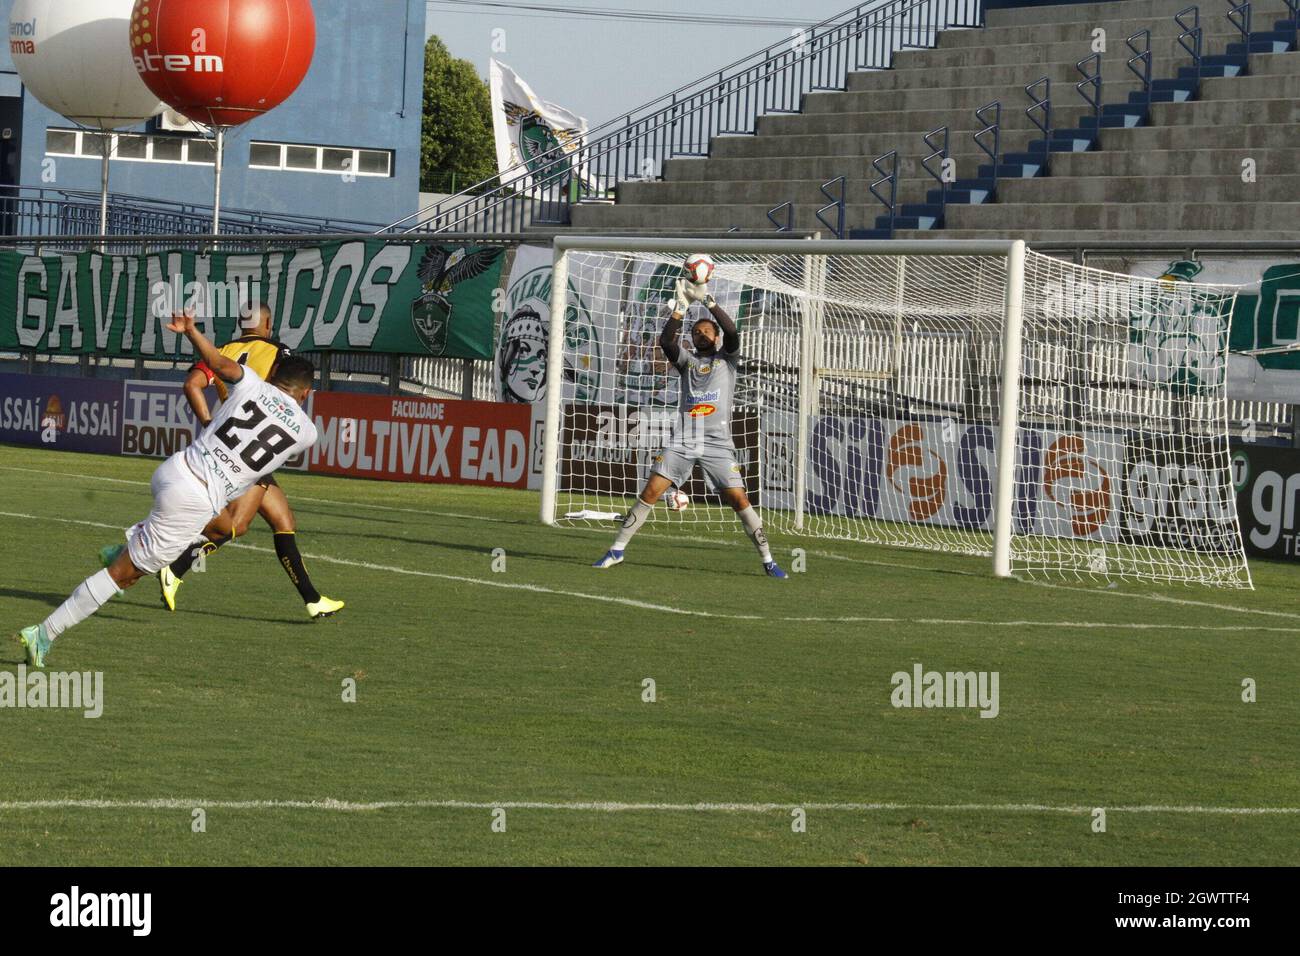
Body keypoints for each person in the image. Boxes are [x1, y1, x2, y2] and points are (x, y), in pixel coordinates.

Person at [15, 311, 320, 668]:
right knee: (124, 577)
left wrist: (191, 330)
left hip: (175, 469)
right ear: (306, 393)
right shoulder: (307, 433)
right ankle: (44, 633)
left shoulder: (251, 383)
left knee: (225, 527)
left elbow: (216, 362)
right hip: (195, 497)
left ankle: (129, 544)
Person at [157, 302, 343, 620]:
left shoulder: (226, 348)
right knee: (236, 525)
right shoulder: (278, 353)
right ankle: (164, 555)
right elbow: (279, 395)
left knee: (283, 522)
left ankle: (312, 600)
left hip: (225, 440)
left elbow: (192, 384)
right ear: (267, 325)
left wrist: (208, 422)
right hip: (253, 451)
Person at [593, 277, 786, 578]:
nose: (700, 335)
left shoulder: (728, 359)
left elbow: (733, 330)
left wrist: (708, 300)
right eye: (696, 333)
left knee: (739, 500)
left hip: (718, 443)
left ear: (716, 337)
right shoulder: (688, 362)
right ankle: (616, 550)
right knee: (651, 491)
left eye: (707, 331)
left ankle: (768, 560)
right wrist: (681, 308)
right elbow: (666, 342)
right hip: (685, 438)